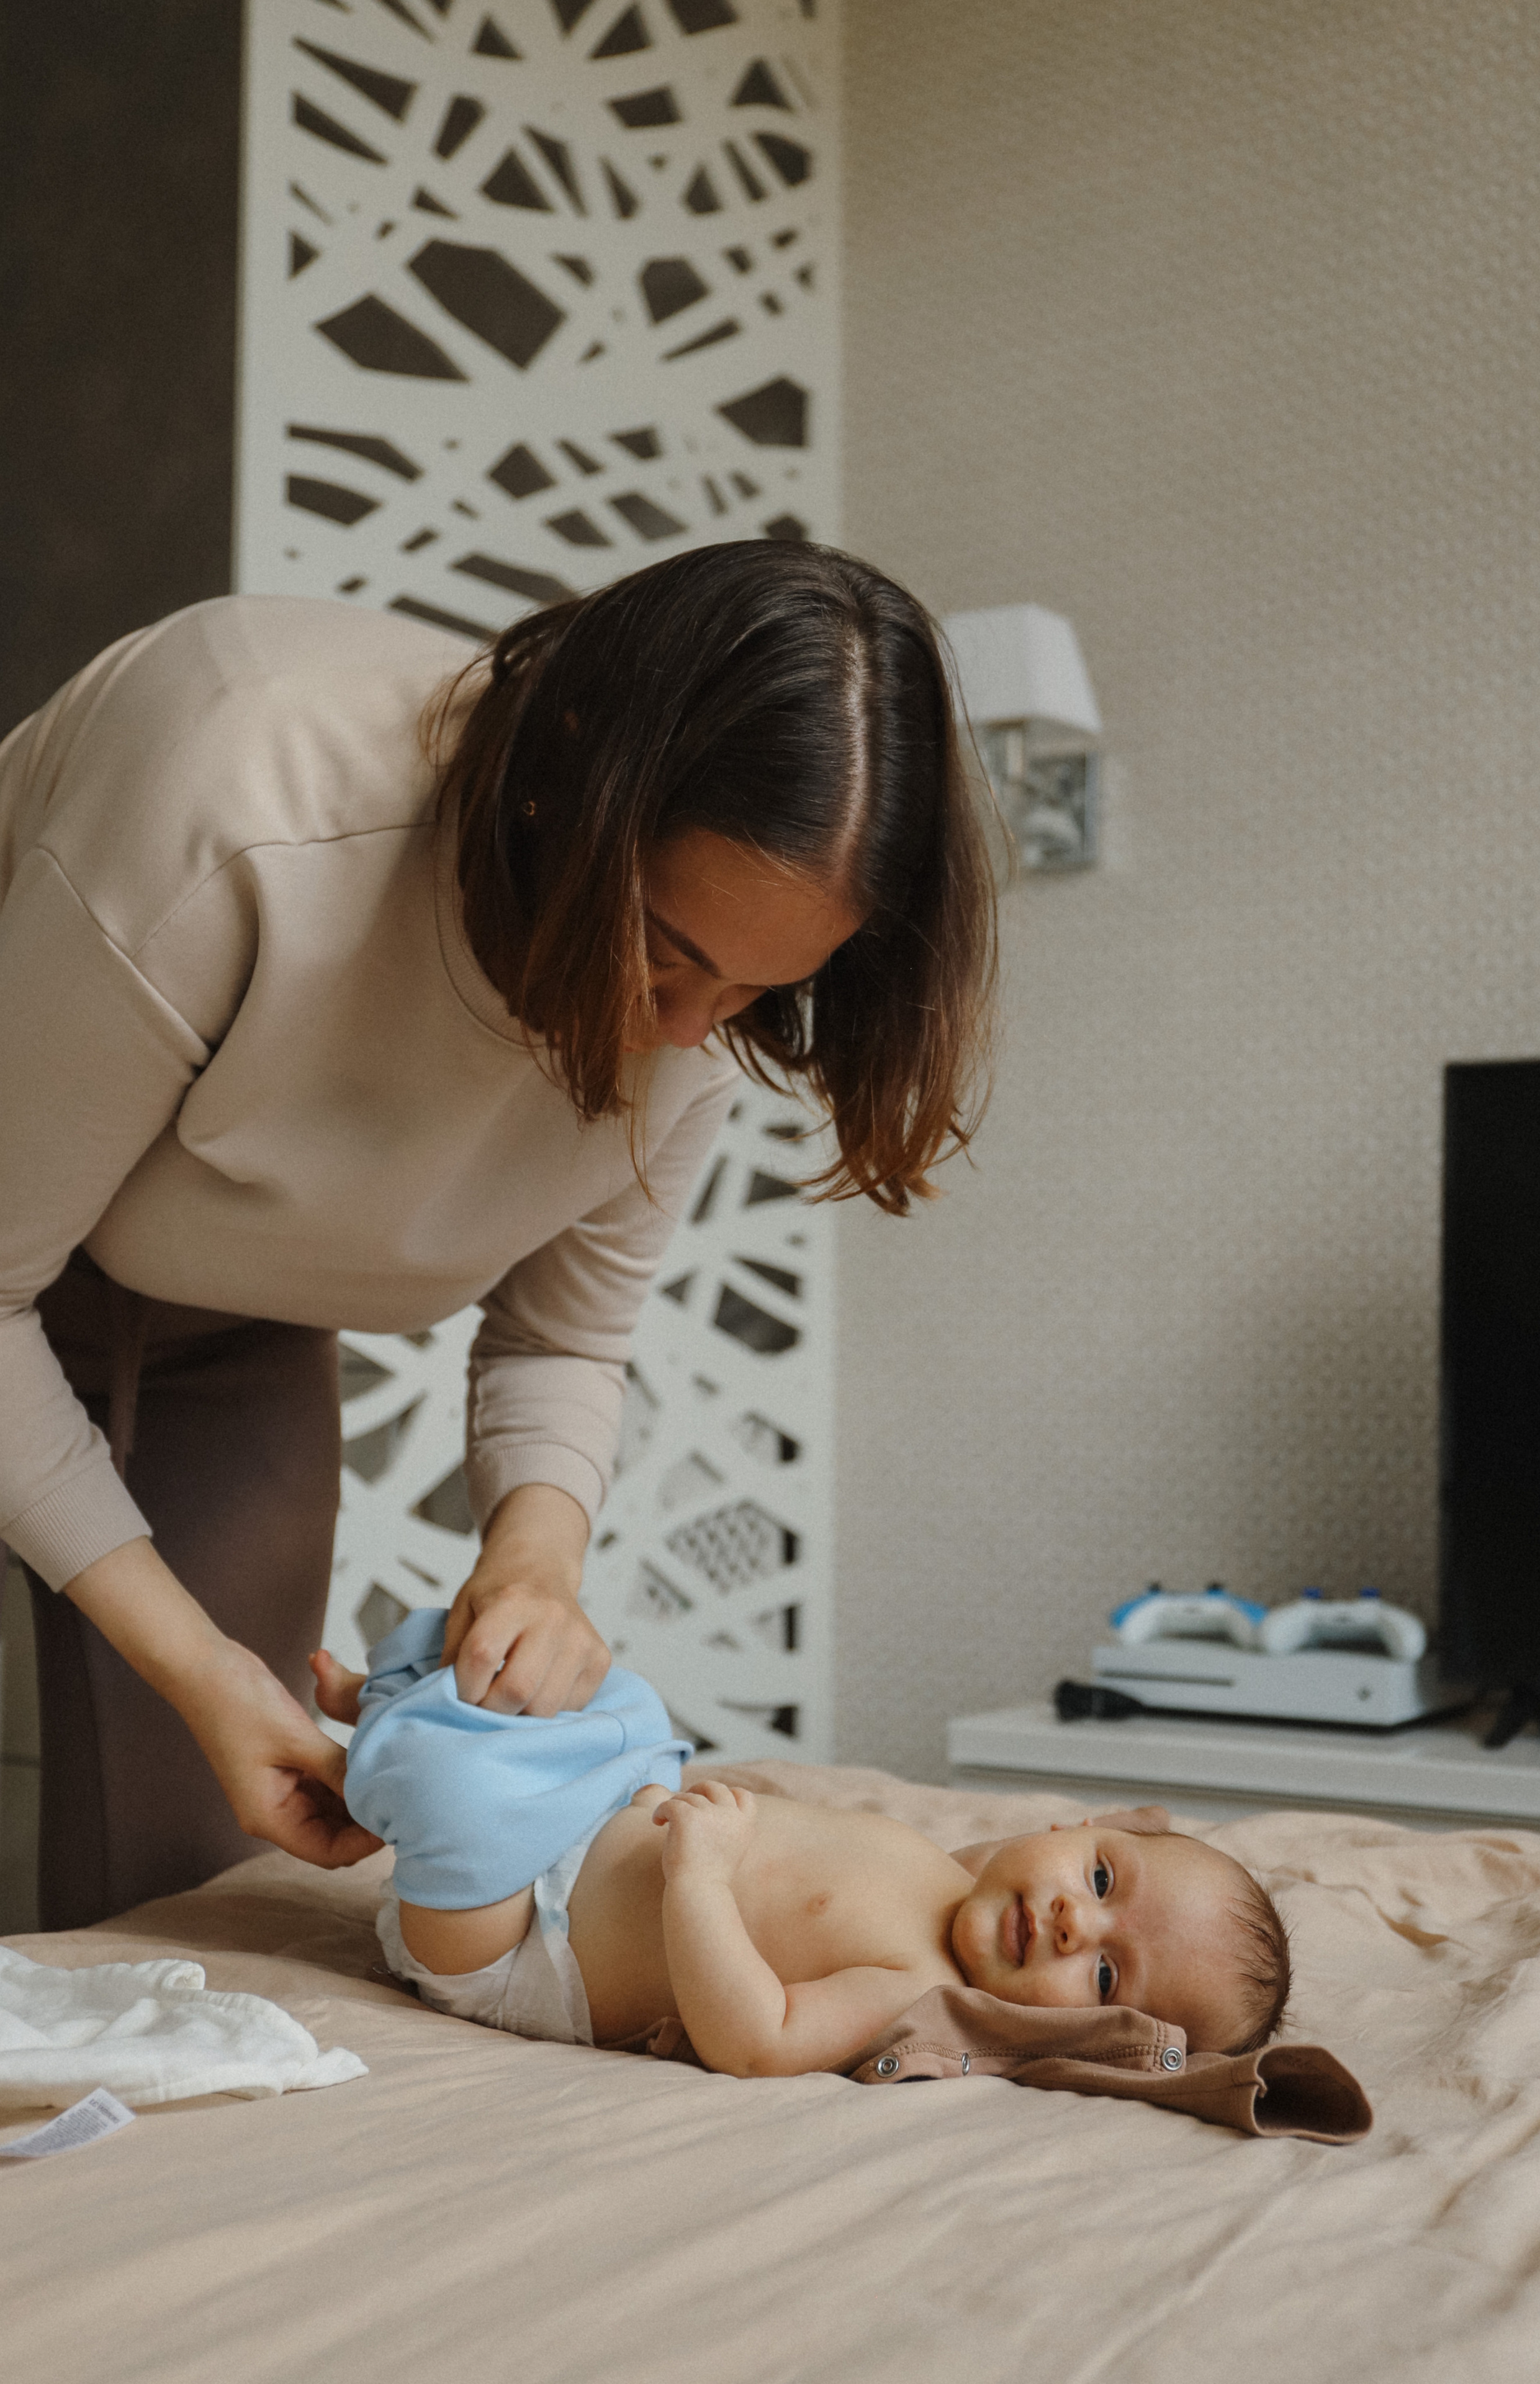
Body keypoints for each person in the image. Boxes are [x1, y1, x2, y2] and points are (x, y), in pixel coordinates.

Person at [0, 541, 999, 1927]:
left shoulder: (703, 1025)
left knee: (189, 1886)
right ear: (565, 789)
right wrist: (194, 1662)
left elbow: (560, 1338)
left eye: (756, 993)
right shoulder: (239, 801)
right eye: (663, 951)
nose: (685, 1033)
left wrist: (534, 1560)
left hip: (225, 1322)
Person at [317, 1617, 1290, 2072]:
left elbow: (759, 2038)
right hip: (597, 1813)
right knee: (616, 1691)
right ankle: (396, 1697)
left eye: (1107, 1976)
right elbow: (1035, 1853)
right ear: (1071, 1828)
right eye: (1103, 1878)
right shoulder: (960, 1877)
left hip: (517, 1935)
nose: (1076, 1924)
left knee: (457, 1795)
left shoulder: (914, 1991)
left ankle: (391, 1751)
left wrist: (700, 1881)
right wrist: (1136, 1828)